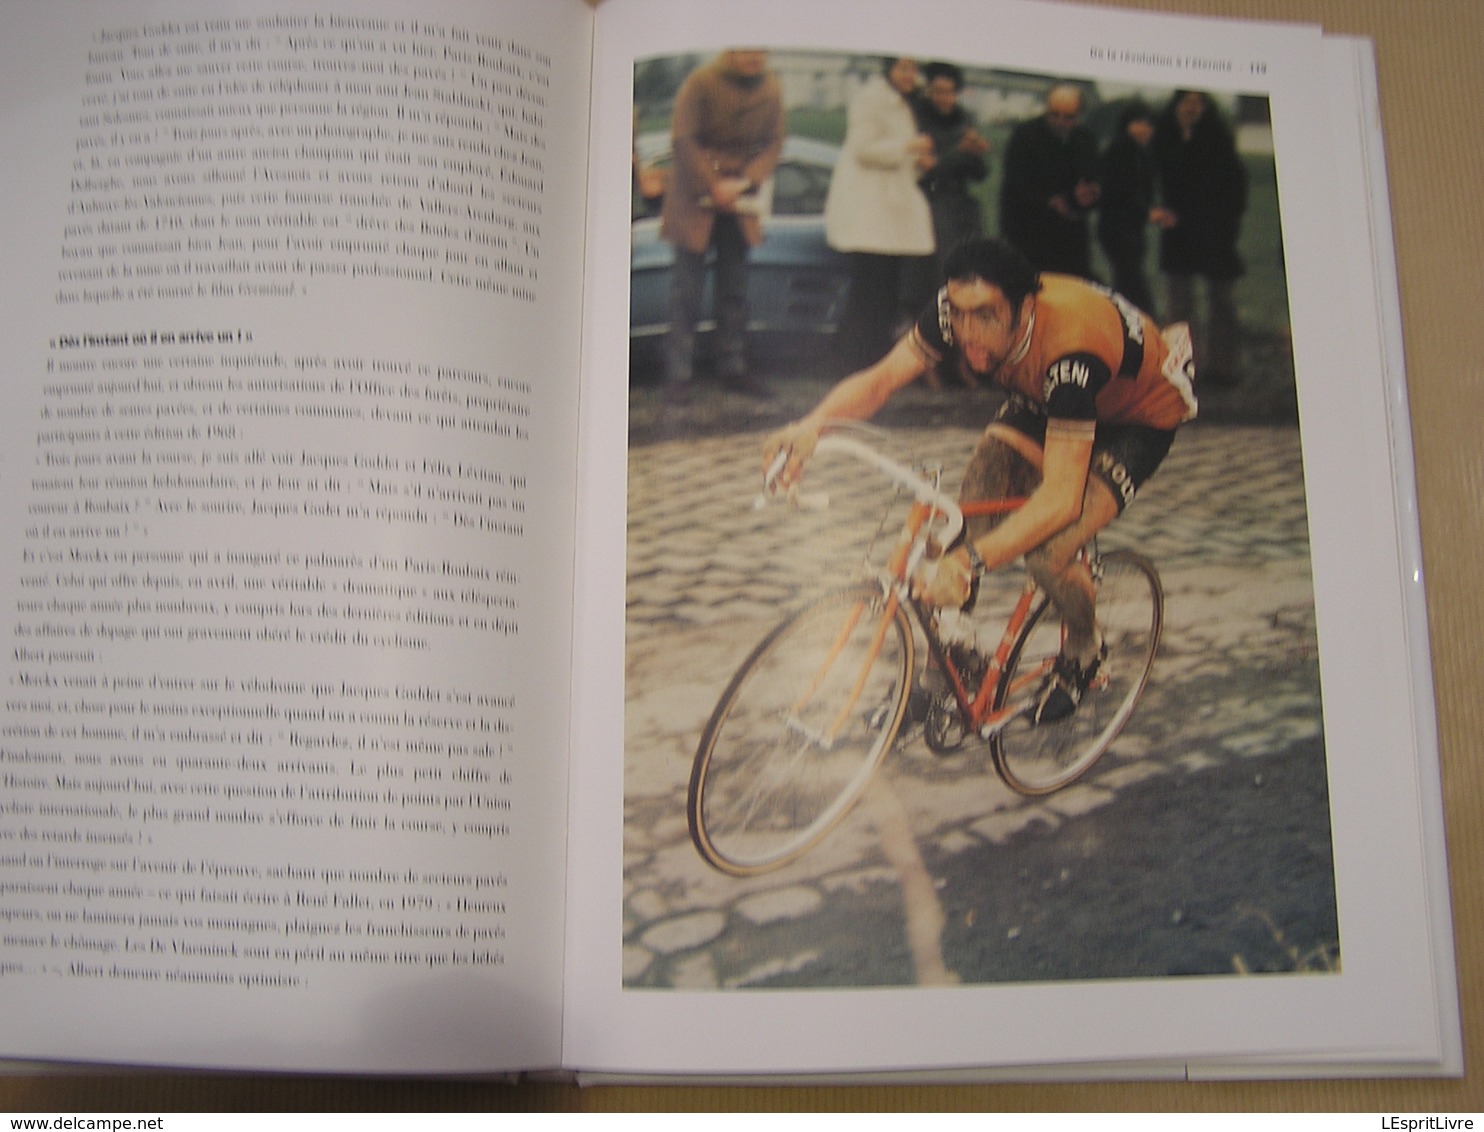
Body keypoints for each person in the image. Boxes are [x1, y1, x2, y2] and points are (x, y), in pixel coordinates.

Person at [764, 237, 1196, 722]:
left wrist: (968, 565)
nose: (967, 334)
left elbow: (1059, 497)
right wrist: (813, 425)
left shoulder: (1072, 350)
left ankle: (1084, 647)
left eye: (985, 316)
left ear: (1024, 307)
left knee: (1049, 552)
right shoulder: (960, 313)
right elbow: (882, 379)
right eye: (961, 315)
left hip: (1136, 415)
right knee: (963, 515)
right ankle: (943, 675)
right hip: (1043, 393)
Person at [659, 50, 785, 403]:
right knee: (686, 290)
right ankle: (678, 377)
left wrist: (745, 182)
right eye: (746, 50)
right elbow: (683, 138)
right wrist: (713, 185)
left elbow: (774, 143)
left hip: (741, 196)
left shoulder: (771, 88)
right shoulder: (700, 82)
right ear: (731, 51)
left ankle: (732, 368)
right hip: (695, 195)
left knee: (735, 287)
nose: (754, 57)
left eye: (761, 50)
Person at [824, 57, 937, 371]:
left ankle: (870, 360)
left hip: (888, 211)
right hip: (869, 209)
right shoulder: (872, 99)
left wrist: (917, 159)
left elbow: (898, 157)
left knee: (885, 289)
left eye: (913, 69)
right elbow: (863, 149)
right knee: (869, 290)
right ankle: (851, 361)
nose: (909, 75)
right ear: (889, 69)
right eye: (902, 68)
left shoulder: (902, 103)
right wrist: (909, 145)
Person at [1151, 90, 1248, 386]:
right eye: (1186, 102)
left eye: (1198, 103)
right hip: (1178, 231)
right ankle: (1179, 364)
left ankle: (1223, 367)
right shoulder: (1163, 139)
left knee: (1222, 301)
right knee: (1178, 302)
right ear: (1176, 106)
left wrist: (1225, 222)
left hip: (1214, 230)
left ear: (1206, 109)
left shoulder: (1218, 140)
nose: (1191, 108)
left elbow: (1236, 186)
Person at [998, 83, 1101, 278]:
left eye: (1069, 117)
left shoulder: (1086, 140)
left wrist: (1090, 194)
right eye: (1054, 114)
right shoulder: (1025, 135)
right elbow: (1015, 185)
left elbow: (1093, 179)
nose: (1060, 121)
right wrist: (1050, 202)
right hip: (1029, 233)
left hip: (1071, 235)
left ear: (1079, 115)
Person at [913, 62, 990, 270]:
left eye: (950, 92)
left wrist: (975, 153)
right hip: (930, 204)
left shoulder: (963, 118)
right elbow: (926, 171)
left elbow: (981, 174)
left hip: (961, 204)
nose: (944, 98)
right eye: (937, 91)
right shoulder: (917, 118)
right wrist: (960, 152)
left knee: (971, 265)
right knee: (941, 267)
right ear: (927, 90)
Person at [1096, 100, 1158, 317]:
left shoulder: (1142, 154)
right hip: (1118, 229)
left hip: (1131, 229)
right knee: (1132, 282)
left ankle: (1122, 320)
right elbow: (1122, 191)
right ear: (1127, 125)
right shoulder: (1120, 151)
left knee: (1127, 281)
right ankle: (1142, 320)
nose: (1144, 129)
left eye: (1148, 124)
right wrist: (1146, 211)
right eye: (1138, 123)